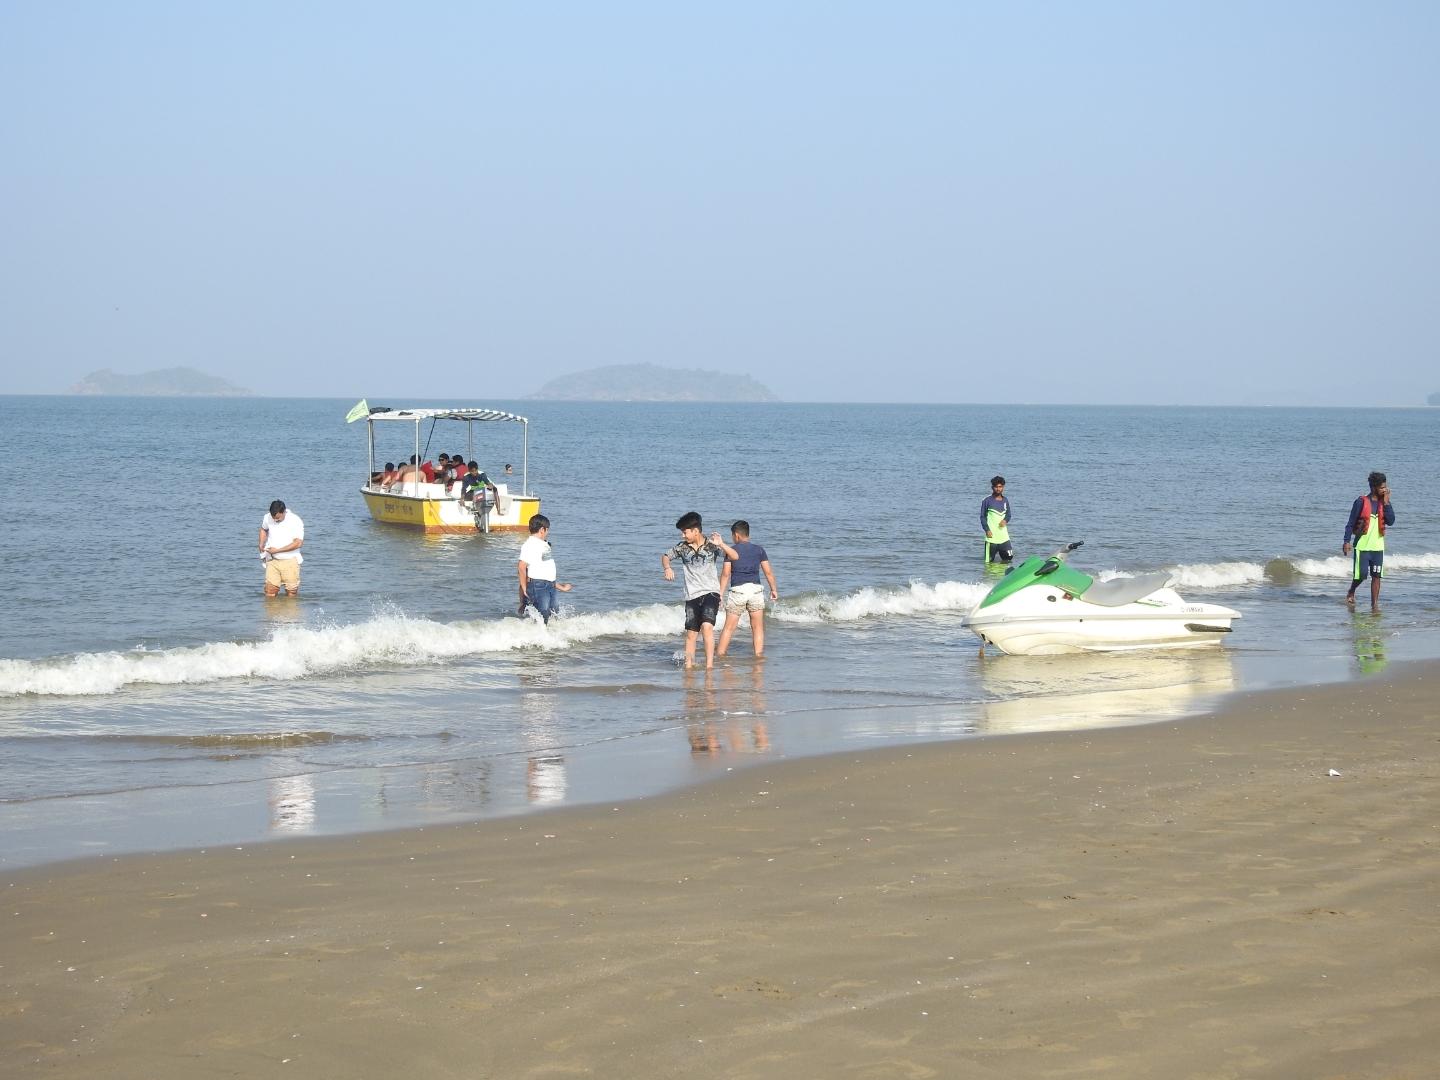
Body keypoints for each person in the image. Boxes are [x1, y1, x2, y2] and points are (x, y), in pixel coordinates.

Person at [662, 512, 739, 669]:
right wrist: (667, 567)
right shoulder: (682, 548)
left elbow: (735, 556)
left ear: (695, 530)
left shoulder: (711, 545)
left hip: (711, 592)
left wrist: (722, 544)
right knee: (691, 634)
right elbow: (665, 556)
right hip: (691, 595)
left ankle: (709, 666)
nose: (683, 535)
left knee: (707, 627)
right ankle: (689, 666)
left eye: (685, 532)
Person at [717, 520, 779, 658]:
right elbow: (768, 572)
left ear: (736, 535)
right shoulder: (759, 550)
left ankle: (720, 656)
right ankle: (758, 656)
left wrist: (720, 593)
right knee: (757, 628)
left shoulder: (731, 551)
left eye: (732, 536)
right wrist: (773, 589)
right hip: (756, 590)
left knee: (728, 628)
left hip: (738, 591)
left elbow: (726, 574)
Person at [1343, 471, 1394, 608]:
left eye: (1385, 487)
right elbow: (1350, 522)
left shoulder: (1385, 503)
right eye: (1382, 487)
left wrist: (1387, 503)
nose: (1385, 490)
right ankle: (1351, 591)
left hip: (1378, 547)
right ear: (1373, 487)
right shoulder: (1361, 502)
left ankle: (1375, 605)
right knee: (1362, 575)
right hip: (1362, 546)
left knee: (1377, 576)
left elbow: (1391, 521)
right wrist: (1346, 541)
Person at [517, 513, 572, 624]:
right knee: (542, 616)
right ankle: (538, 638)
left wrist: (561, 587)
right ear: (542, 530)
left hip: (550, 585)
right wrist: (523, 588)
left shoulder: (544, 545)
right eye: (548, 530)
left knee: (554, 614)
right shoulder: (530, 545)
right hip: (538, 586)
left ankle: (550, 636)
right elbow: (521, 567)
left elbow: (545, 571)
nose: (548, 532)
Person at [258, 499, 304, 597]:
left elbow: (298, 543)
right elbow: (263, 529)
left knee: (291, 593)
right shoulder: (267, 517)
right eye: (273, 517)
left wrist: (278, 550)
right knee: (270, 592)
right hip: (272, 560)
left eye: (278, 518)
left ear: (284, 512)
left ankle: (289, 612)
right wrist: (261, 543)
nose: (275, 520)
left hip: (290, 561)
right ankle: (273, 611)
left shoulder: (295, 520)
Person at [980, 475, 1013, 563]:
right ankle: (990, 577)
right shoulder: (986, 500)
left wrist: (1005, 520)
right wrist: (987, 530)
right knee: (988, 563)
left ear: (1003, 487)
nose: (998, 489)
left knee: (1008, 560)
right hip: (991, 538)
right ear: (992, 487)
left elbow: (1009, 514)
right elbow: (982, 517)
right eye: (996, 487)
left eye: (1000, 487)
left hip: (1004, 537)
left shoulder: (1005, 500)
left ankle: (1002, 577)